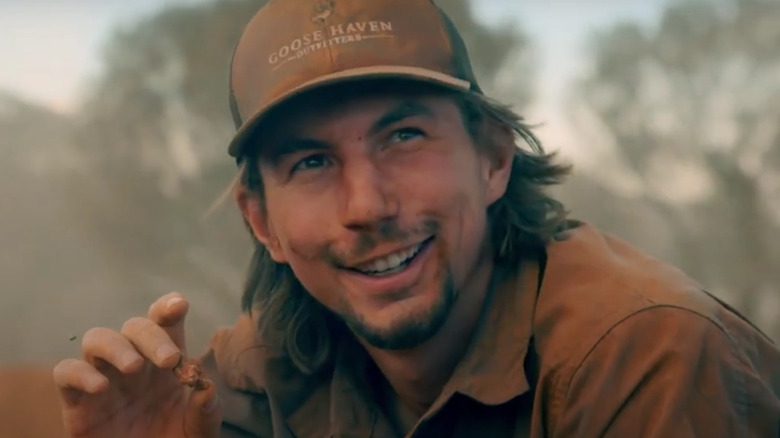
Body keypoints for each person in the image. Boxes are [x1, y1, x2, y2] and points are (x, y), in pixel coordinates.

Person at [52, 0, 780, 437]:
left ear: (493, 158)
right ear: (262, 223)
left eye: (403, 137)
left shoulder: (648, 359)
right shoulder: (260, 373)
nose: (366, 206)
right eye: (310, 163)